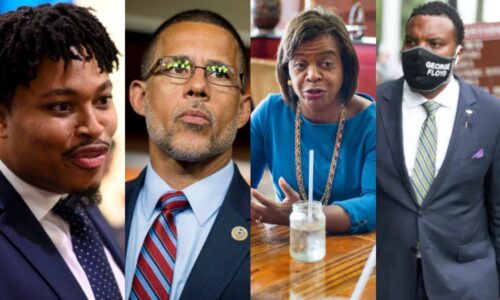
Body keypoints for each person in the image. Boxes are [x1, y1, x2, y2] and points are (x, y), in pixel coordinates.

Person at [0, 3, 124, 299]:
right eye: (62, 106)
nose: (94, 127)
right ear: (3, 119)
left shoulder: (75, 200)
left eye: (103, 100)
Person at [377, 2, 500, 299]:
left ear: (458, 52)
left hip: (466, 282)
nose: (419, 52)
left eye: (434, 43)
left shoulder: (490, 112)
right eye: (411, 41)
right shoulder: (375, 105)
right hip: (389, 279)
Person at [126, 10, 251, 300]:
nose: (197, 86)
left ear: (243, 110)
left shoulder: (269, 229)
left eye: (220, 73)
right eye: (177, 67)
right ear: (140, 98)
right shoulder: (96, 222)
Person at [250, 8, 376, 233]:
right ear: (287, 71)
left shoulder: (373, 123)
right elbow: (235, 186)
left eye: (326, 64)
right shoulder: (269, 113)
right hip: (290, 246)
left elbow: (375, 204)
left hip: (358, 249)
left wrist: (300, 216)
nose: (312, 75)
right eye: (300, 64)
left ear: (345, 69)